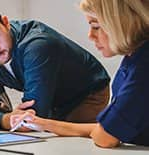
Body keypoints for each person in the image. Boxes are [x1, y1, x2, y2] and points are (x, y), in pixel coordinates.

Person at [11, 0, 149, 148]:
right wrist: (41, 123)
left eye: (96, 26)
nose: (90, 35)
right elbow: (107, 128)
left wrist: (103, 131)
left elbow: (105, 138)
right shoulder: (133, 57)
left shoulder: (143, 67)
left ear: (121, 22)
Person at [0, 0, 110, 130]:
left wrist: (14, 119)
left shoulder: (37, 45)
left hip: (87, 94)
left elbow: (33, 117)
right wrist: (8, 119)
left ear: (5, 23)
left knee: (74, 145)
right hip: (52, 100)